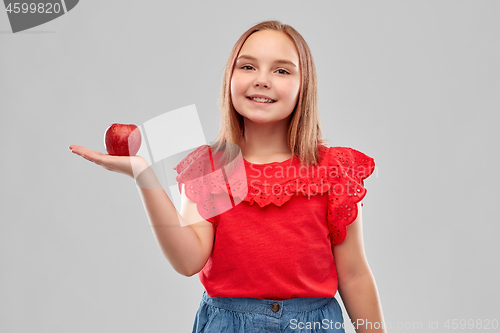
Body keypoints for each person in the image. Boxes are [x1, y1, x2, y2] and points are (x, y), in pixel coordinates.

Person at [69, 20, 386, 333]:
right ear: (229, 78)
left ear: (306, 86)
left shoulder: (333, 170)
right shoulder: (211, 168)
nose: (262, 80)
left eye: (282, 70)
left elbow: (354, 274)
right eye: (247, 67)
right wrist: (143, 175)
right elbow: (188, 261)